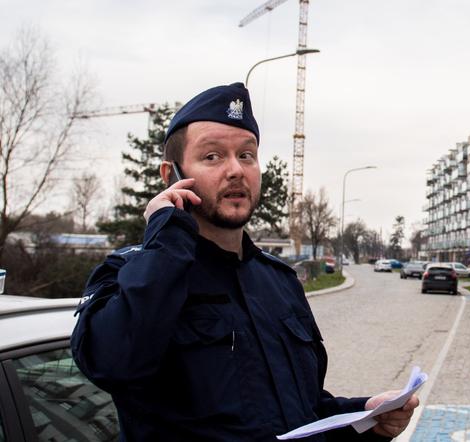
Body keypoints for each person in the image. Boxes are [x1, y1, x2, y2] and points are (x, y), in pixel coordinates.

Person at [71, 83, 417, 441]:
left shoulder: (279, 280)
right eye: (213, 156)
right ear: (170, 175)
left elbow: (303, 413)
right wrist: (169, 234)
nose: (236, 169)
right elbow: (113, 364)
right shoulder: (131, 274)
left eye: (247, 155)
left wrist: (365, 417)